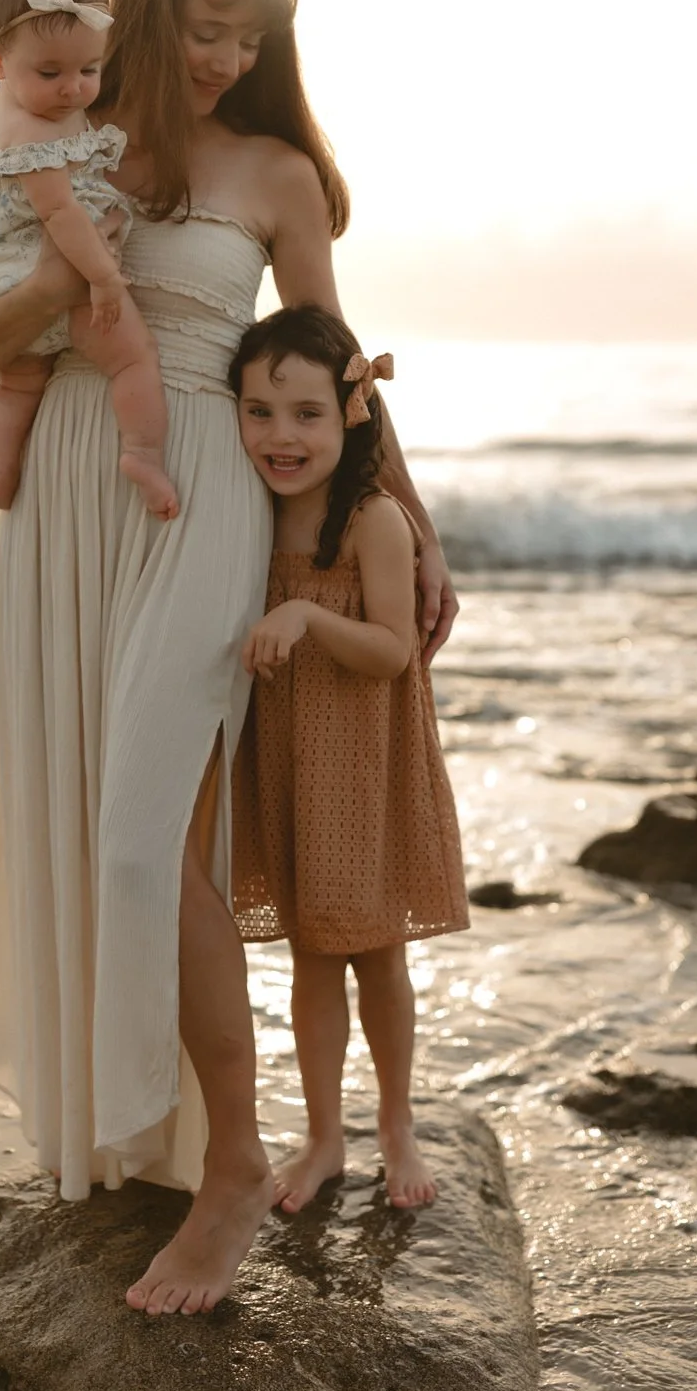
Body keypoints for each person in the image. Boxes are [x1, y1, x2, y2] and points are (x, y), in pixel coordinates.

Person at [0, 0, 459, 1318]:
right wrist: (56, 267)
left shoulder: (277, 172)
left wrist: (402, 518)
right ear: (148, 11)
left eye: (252, 35)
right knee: (95, 820)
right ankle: (148, 1132)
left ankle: (233, 1163)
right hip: (66, 494)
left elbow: (332, 361)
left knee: (142, 839)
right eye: (205, 28)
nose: (226, 57)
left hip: (200, 501)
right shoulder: (61, 148)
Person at [229, 306, 470, 1212]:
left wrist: (305, 617)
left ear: (349, 416)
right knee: (309, 957)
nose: (280, 436)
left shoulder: (373, 519)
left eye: (304, 414)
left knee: (376, 954)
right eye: (258, 411)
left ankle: (396, 1125)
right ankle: (324, 1134)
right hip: (291, 761)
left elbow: (392, 652)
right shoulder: (250, 506)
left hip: (363, 765)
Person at [0, 0, 177, 519]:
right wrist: (104, 282)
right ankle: (143, 454)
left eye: (89, 70)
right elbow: (61, 217)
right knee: (131, 359)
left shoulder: (6, 105)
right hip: (49, 271)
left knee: (19, 385)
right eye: (51, 73)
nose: (73, 89)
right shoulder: (36, 136)